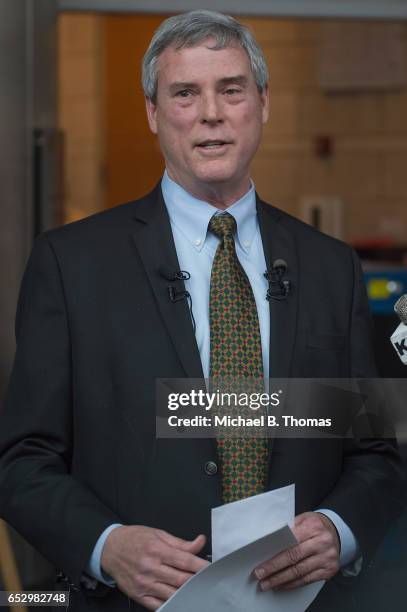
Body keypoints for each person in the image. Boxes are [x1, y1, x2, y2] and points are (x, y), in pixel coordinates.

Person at [0, 10, 405, 612]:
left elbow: (373, 452)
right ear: (153, 113)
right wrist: (108, 546)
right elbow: (23, 461)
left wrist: (339, 529)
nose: (210, 113)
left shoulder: (330, 267)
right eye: (185, 93)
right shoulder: (71, 264)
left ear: (262, 103)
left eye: (231, 89)